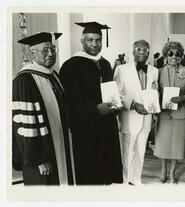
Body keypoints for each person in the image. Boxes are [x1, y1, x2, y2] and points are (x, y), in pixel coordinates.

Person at [59, 22, 123, 185]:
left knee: (106, 168)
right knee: (89, 170)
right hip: (86, 128)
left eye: (98, 40)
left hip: (107, 125)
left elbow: (110, 90)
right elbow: (70, 98)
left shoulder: (106, 64)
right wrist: (94, 108)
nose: (95, 44)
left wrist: (116, 103)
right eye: (90, 40)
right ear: (82, 41)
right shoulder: (71, 65)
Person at [12, 32, 75, 185]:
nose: (50, 54)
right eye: (45, 50)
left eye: (53, 50)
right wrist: (39, 159)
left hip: (60, 146)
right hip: (40, 157)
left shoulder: (54, 76)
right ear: (32, 54)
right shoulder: (24, 81)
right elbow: (24, 125)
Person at [114, 40, 158, 185]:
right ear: (133, 52)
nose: (141, 52)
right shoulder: (121, 69)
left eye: (145, 50)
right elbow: (117, 94)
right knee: (127, 152)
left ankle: (136, 179)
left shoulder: (153, 71)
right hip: (129, 117)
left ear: (148, 53)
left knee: (140, 151)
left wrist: (154, 105)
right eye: (138, 49)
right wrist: (133, 104)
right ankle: (125, 181)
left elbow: (154, 91)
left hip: (146, 118)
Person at [153, 41, 185, 183]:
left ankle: (172, 172)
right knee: (163, 143)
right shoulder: (158, 72)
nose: (174, 57)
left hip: (180, 114)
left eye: (178, 54)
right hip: (164, 114)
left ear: (181, 56)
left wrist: (182, 98)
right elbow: (155, 92)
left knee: (177, 144)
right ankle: (163, 170)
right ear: (166, 55)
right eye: (171, 54)